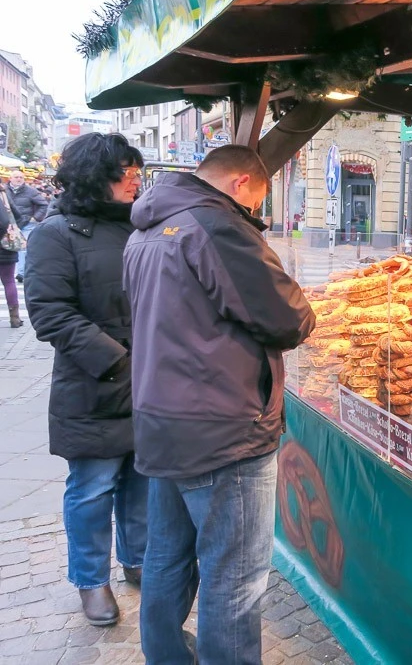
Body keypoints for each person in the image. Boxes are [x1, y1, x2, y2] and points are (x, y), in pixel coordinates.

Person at [123, 145, 315, 664]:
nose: (256, 208)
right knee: (235, 576)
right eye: (259, 196)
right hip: (223, 429)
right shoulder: (215, 228)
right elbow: (287, 317)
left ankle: (165, 657)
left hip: (163, 418)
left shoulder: (146, 227)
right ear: (242, 183)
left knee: (166, 557)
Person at [23, 133, 147, 626]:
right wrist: (118, 360)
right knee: (93, 486)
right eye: (125, 171)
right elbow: (50, 312)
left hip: (149, 381)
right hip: (94, 385)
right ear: (95, 177)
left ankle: (136, 559)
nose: (135, 178)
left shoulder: (141, 226)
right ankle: (90, 580)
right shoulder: (56, 233)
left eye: (136, 170)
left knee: (141, 480)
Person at [6, 170, 50, 282]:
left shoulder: (31, 191)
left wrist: (35, 218)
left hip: (26, 223)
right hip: (8, 224)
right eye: (16, 177)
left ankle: (21, 273)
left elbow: (43, 204)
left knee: (23, 248)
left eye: (21, 177)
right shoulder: (4, 191)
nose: (19, 179)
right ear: (10, 178)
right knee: (6, 248)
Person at [0, 191, 22, 327]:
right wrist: (11, 230)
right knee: (9, 281)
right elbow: (18, 216)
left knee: (8, 281)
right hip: (8, 243)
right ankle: (15, 318)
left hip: (3, 244)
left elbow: (3, 222)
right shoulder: (4, 195)